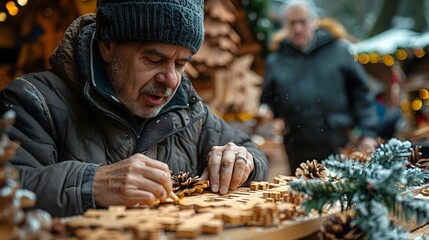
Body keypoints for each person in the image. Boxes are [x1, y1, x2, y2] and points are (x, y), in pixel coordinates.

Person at [0, 0, 268, 217]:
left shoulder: (190, 111)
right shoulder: (31, 100)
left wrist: (244, 161)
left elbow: (252, 152)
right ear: (108, 46)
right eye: (154, 59)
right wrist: (90, 183)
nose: (171, 80)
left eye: (180, 64)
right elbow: (7, 186)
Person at [260, 0, 378, 172]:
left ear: (313, 21)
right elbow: (268, 100)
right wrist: (266, 114)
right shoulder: (276, 60)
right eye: (292, 23)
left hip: (339, 144)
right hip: (296, 147)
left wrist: (368, 133)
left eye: (302, 21)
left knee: (340, 195)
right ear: (285, 26)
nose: (298, 28)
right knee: (300, 197)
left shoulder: (339, 50)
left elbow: (361, 94)